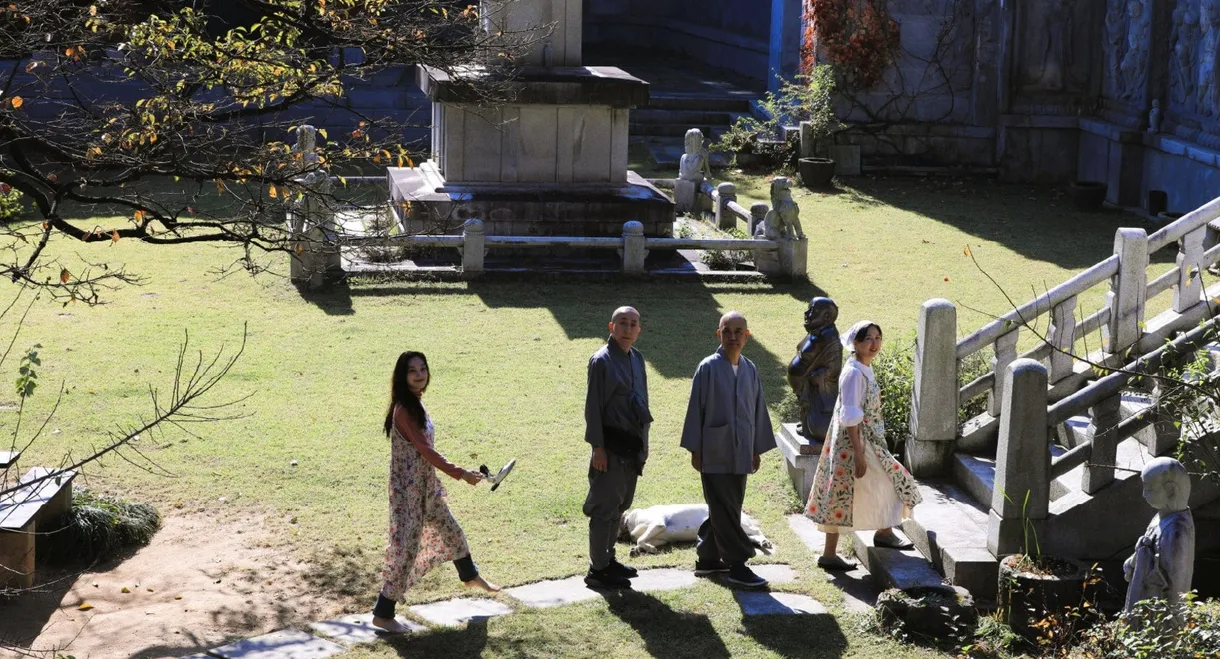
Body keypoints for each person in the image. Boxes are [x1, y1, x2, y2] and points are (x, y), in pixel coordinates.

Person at [371, 351, 499, 633]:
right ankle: (383, 613)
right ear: (402, 377)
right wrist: (461, 473)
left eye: (423, 369)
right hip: (409, 493)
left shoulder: (414, 403)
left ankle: (469, 575)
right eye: (412, 370)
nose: (419, 375)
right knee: (405, 550)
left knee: (451, 529)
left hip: (425, 487)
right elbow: (426, 452)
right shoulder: (405, 410)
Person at [805, 321, 922, 571]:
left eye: (878, 338)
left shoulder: (863, 368)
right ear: (855, 343)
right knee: (843, 492)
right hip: (855, 443)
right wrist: (858, 454)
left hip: (867, 440)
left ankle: (884, 532)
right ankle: (830, 554)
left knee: (882, 483)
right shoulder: (854, 374)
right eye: (868, 339)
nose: (874, 344)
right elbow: (850, 417)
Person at [680, 311, 776, 588]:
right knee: (724, 506)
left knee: (727, 506)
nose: (733, 336)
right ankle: (738, 564)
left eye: (738, 331)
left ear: (747, 335)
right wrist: (695, 449)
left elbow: (758, 409)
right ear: (718, 334)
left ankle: (708, 559)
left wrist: (756, 448)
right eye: (727, 331)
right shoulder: (707, 368)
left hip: (742, 449)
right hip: (714, 449)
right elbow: (695, 409)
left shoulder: (750, 369)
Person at [583, 306, 652, 589]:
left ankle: (608, 560)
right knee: (604, 508)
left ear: (639, 330)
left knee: (620, 506)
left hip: (631, 446)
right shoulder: (601, 360)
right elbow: (593, 408)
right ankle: (597, 570)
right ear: (611, 327)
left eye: (633, 324)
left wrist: (645, 443)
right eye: (622, 323)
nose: (627, 329)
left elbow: (643, 401)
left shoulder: (637, 358)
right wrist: (597, 448)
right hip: (610, 447)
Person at [1124, 457, 1196, 626]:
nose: (1143, 494)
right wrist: (1134, 561)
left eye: (1149, 489)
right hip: (1145, 602)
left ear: (1170, 491)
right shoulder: (1161, 516)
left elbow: (1175, 585)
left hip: (1158, 614)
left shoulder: (1177, 531)